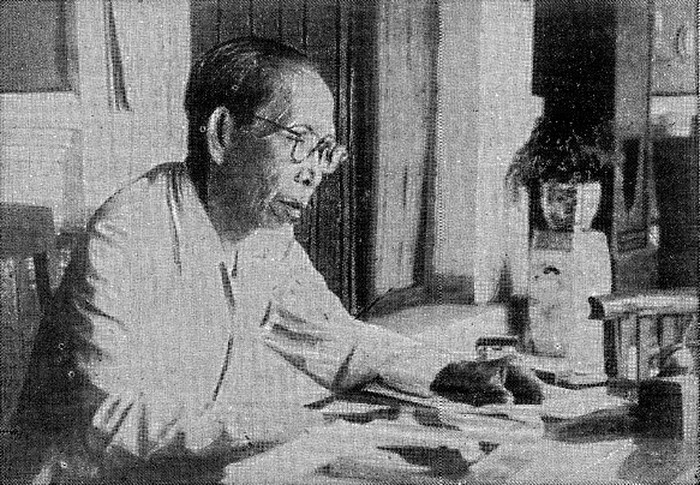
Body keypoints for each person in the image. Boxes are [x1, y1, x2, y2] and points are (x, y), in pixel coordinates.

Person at [17, 36, 542, 482]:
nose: (314, 173)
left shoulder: (264, 234)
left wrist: (453, 372)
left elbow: (337, 342)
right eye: (300, 142)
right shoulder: (130, 229)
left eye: (325, 151)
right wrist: (291, 423)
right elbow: (108, 422)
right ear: (222, 134)